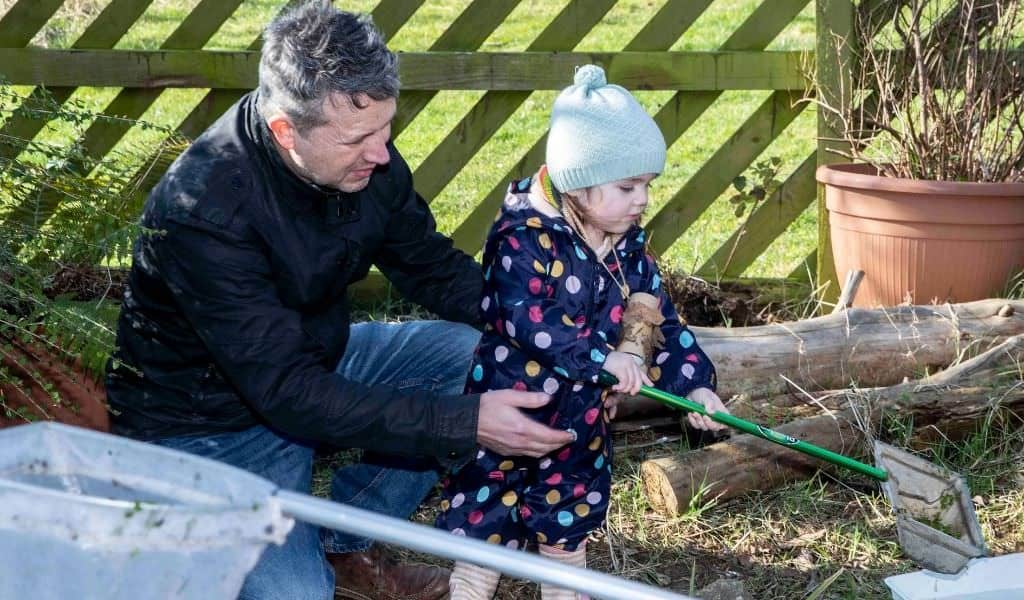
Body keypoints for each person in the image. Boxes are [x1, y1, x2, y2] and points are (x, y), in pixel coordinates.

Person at [103, 3, 574, 599]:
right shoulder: (204, 211)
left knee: (470, 356)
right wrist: (465, 422)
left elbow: (428, 264)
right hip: (208, 427)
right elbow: (288, 392)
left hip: (315, 360)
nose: (382, 153)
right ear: (285, 131)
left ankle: (344, 540)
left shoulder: (364, 157)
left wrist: (548, 332)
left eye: (385, 129)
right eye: (359, 139)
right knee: (296, 595)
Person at [435, 65, 730, 600]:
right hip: (509, 411)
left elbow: (660, 322)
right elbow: (530, 319)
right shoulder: (523, 238)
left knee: (567, 523)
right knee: (485, 521)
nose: (642, 199)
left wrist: (695, 386)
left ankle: (564, 584)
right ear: (577, 182)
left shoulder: (627, 249)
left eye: (647, 185)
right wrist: (603, 357)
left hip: (579, 424)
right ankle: (471, 586)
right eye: (627, 186)